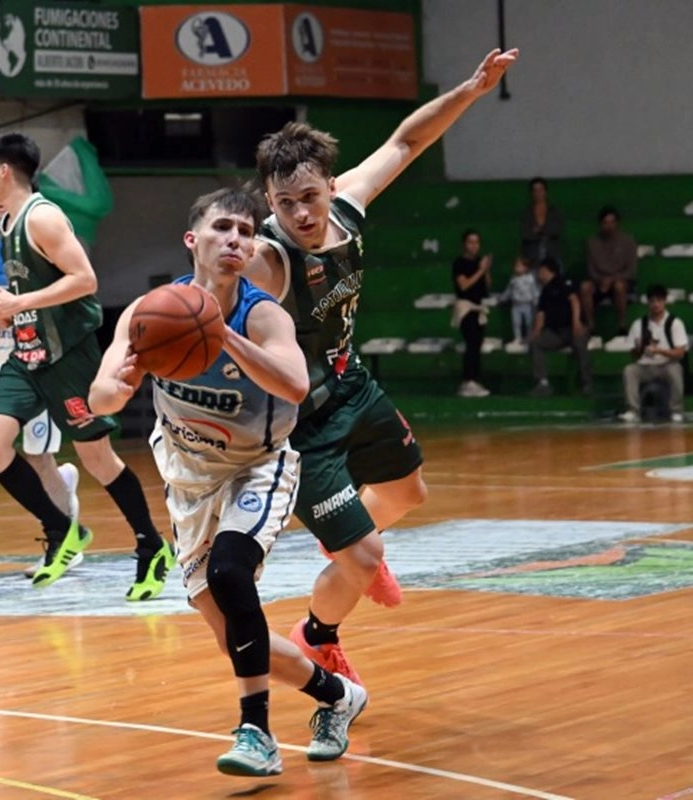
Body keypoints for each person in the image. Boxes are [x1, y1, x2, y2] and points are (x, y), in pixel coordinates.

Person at [245, 47, 518, 682]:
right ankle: (318, 637)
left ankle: (345, 535)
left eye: (309, 196)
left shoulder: (347, 206)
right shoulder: (267, 257)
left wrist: (471, 90)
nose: (301, 213)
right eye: (285, 203)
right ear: (269, 202)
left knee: (408, 492)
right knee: (364, 559)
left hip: (352, 386)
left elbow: (407, 140)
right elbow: (206, 297)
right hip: (300, 425)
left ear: (330, 185)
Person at [90, 188, 366, 773]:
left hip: (256, 467)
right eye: (223, 228)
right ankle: (338, 696)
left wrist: (223, 336)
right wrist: (121, 383)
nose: (236, 239)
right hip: (188, 479)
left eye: (246, 231)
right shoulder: (151, 312)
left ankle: (255, 734)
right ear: (193, 240)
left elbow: (295, 384)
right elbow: (100, 397)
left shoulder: (262, 314)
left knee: (230, 572)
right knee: (233, 636)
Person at [0, 132, 173, 599]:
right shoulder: (5, 228)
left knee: (97, 458)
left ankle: (151, 545)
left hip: (67, 355)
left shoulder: (42, 217)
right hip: (26, 355)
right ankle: (61, 529)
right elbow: (23, 297)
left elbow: (85, 280)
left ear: (4, 170)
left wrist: (21, 303)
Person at [0, 222, 79, 578]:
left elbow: (70, 296)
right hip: (3, 355)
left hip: (40, 353)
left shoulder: (45, 232)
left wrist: (18, 311)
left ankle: (63, 541)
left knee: (38, 456)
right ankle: (62, 514)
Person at [618, 284, 687, 423]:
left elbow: (680, 353)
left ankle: (676, 411)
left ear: (665, 301)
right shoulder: (639, 324)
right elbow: (634, 355)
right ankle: (633, 411)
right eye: (652, 301)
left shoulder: (674, 323)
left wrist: (660, 351)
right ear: (648, 303)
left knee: (676, 369)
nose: (655, 304)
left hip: (667, 365)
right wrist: (639, 348)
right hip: (645, 366)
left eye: (659, 301)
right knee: (630, 371)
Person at [529, 256, 591, 397]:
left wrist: (576, 322)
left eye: (540, 270)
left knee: (579, 343)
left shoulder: (564, 282)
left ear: (546, 270)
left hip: (573, 328)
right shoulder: (545, 291)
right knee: (536, 344)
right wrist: (536, 332)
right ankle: (542, 383)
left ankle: (586, 382)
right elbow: (541, 314)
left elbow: (574, 301)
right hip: (556, 333)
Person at [580, 206, 637, 339]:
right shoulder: (592, 242)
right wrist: (600, 280)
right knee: (585, 287)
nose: (609, 226)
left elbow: (631, 270)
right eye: (606, 223)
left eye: (612, 222)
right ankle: (591, 327)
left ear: (617, 223)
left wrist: (612, 279)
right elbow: (591, 269)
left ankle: (622, 326)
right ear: (600, 224)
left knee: (619, 286)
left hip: (620, 280)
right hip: (599, 281)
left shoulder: (628, 240)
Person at [452, 229, 492, 397]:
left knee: (477, 344)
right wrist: (481, 270)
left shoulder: (479, 262)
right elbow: (464, 285)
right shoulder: (459, 263)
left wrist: (486, 270)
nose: (474, 246)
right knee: (471, 343)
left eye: (476, 242)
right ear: (464, 244)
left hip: (478, 307)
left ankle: (474, 380)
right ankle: (467, 381)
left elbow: (487, 287)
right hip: (465, 308)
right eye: (470, 242)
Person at [520, 177, 564, 268]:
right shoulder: (527, 212)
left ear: (545, 191)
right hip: (532, 255)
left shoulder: (553, 210)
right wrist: (543, 231)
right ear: (531, 193)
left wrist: (538, 230)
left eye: (541, 190)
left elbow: (556, 229)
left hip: (552, 252)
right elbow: (525, 233)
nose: (538, 193)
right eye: (535, 190)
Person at [500, 256, 539, 347]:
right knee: (516, 323)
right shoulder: (513, 279)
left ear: (526, 268)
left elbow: (534, 291)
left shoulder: (530, 279)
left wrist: (536, 302)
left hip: (527, 305)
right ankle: (517, 338)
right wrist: (501, 298)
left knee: (529, 323)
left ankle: (529, 338)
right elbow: (509, 291)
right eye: (515, 265)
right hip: (516, 305)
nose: (516, 268)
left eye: (519, 265)